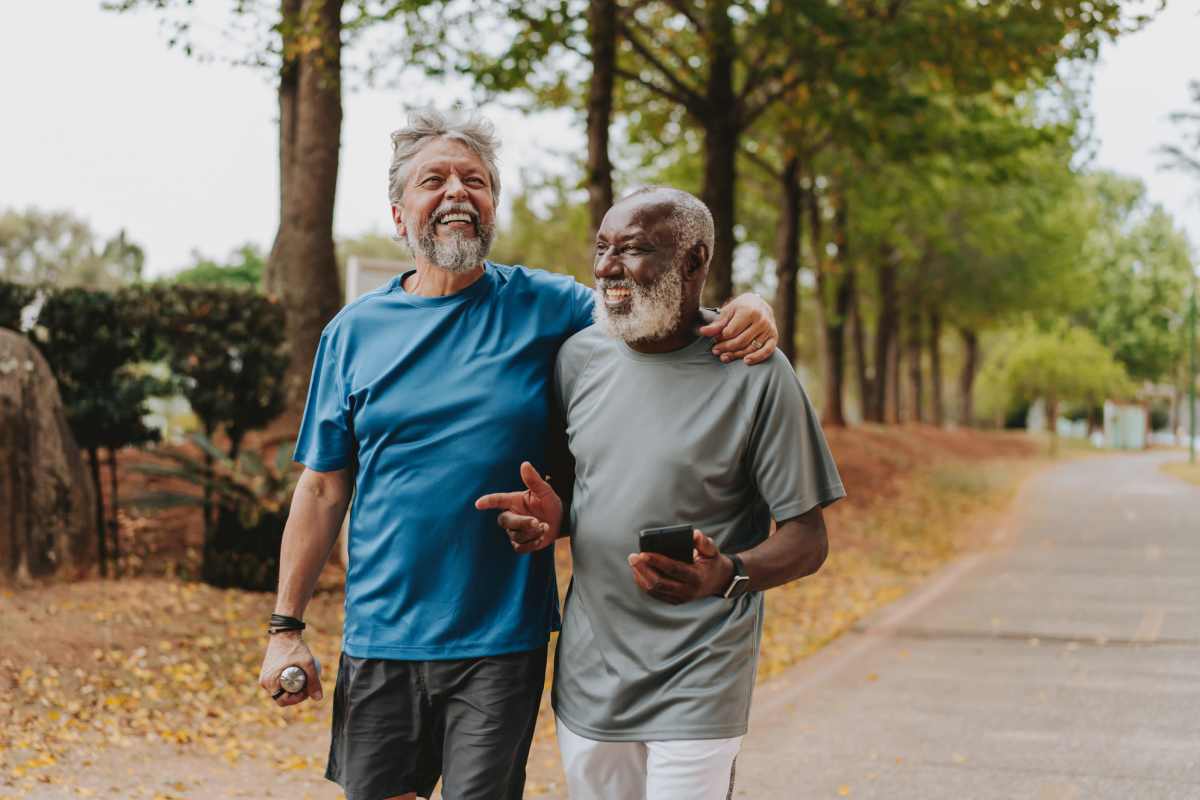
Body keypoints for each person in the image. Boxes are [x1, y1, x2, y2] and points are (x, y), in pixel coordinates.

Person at [256, 109, 781, 800]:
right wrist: (285, 628)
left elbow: (656, 312)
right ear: (397, 213)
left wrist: (747, 303)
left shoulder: (548, 306)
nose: (455, 192)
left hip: (500, 637)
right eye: (432, 180)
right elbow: (323, 490)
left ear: (492, 207)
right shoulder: (352, 333)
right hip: (380, 634)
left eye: (475, 180)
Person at [477, 186, 845, 800]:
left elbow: (808, 540)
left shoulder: (756, 373)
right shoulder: (579, 358)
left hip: (700, 673)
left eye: (635, 249)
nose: (607, 267)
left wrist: (727, 573)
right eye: (601, 248)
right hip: (592, 673)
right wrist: (549, 519)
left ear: (695, 261)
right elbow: (582, 487)